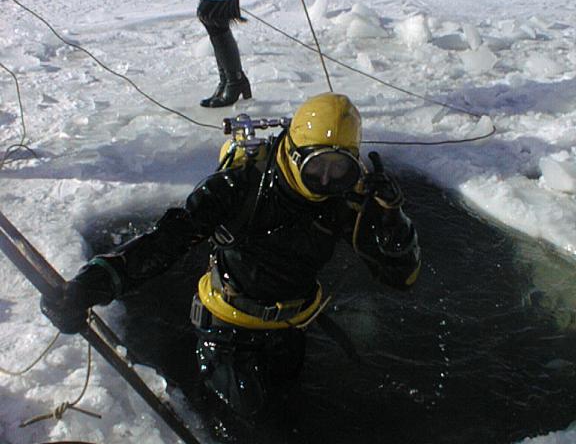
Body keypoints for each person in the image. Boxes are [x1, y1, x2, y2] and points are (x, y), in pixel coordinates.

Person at [41, 93, 421, 421]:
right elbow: (166, 241)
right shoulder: (239, 187)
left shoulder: (344, 198)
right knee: (245, 419)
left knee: (287, 406)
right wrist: (95, 283)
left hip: (292, 324)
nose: (325, 182)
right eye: (316, 167)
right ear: (292, 151)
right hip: (227, 327)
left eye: (338, 169)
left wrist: (391, 218)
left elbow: (401, 276)